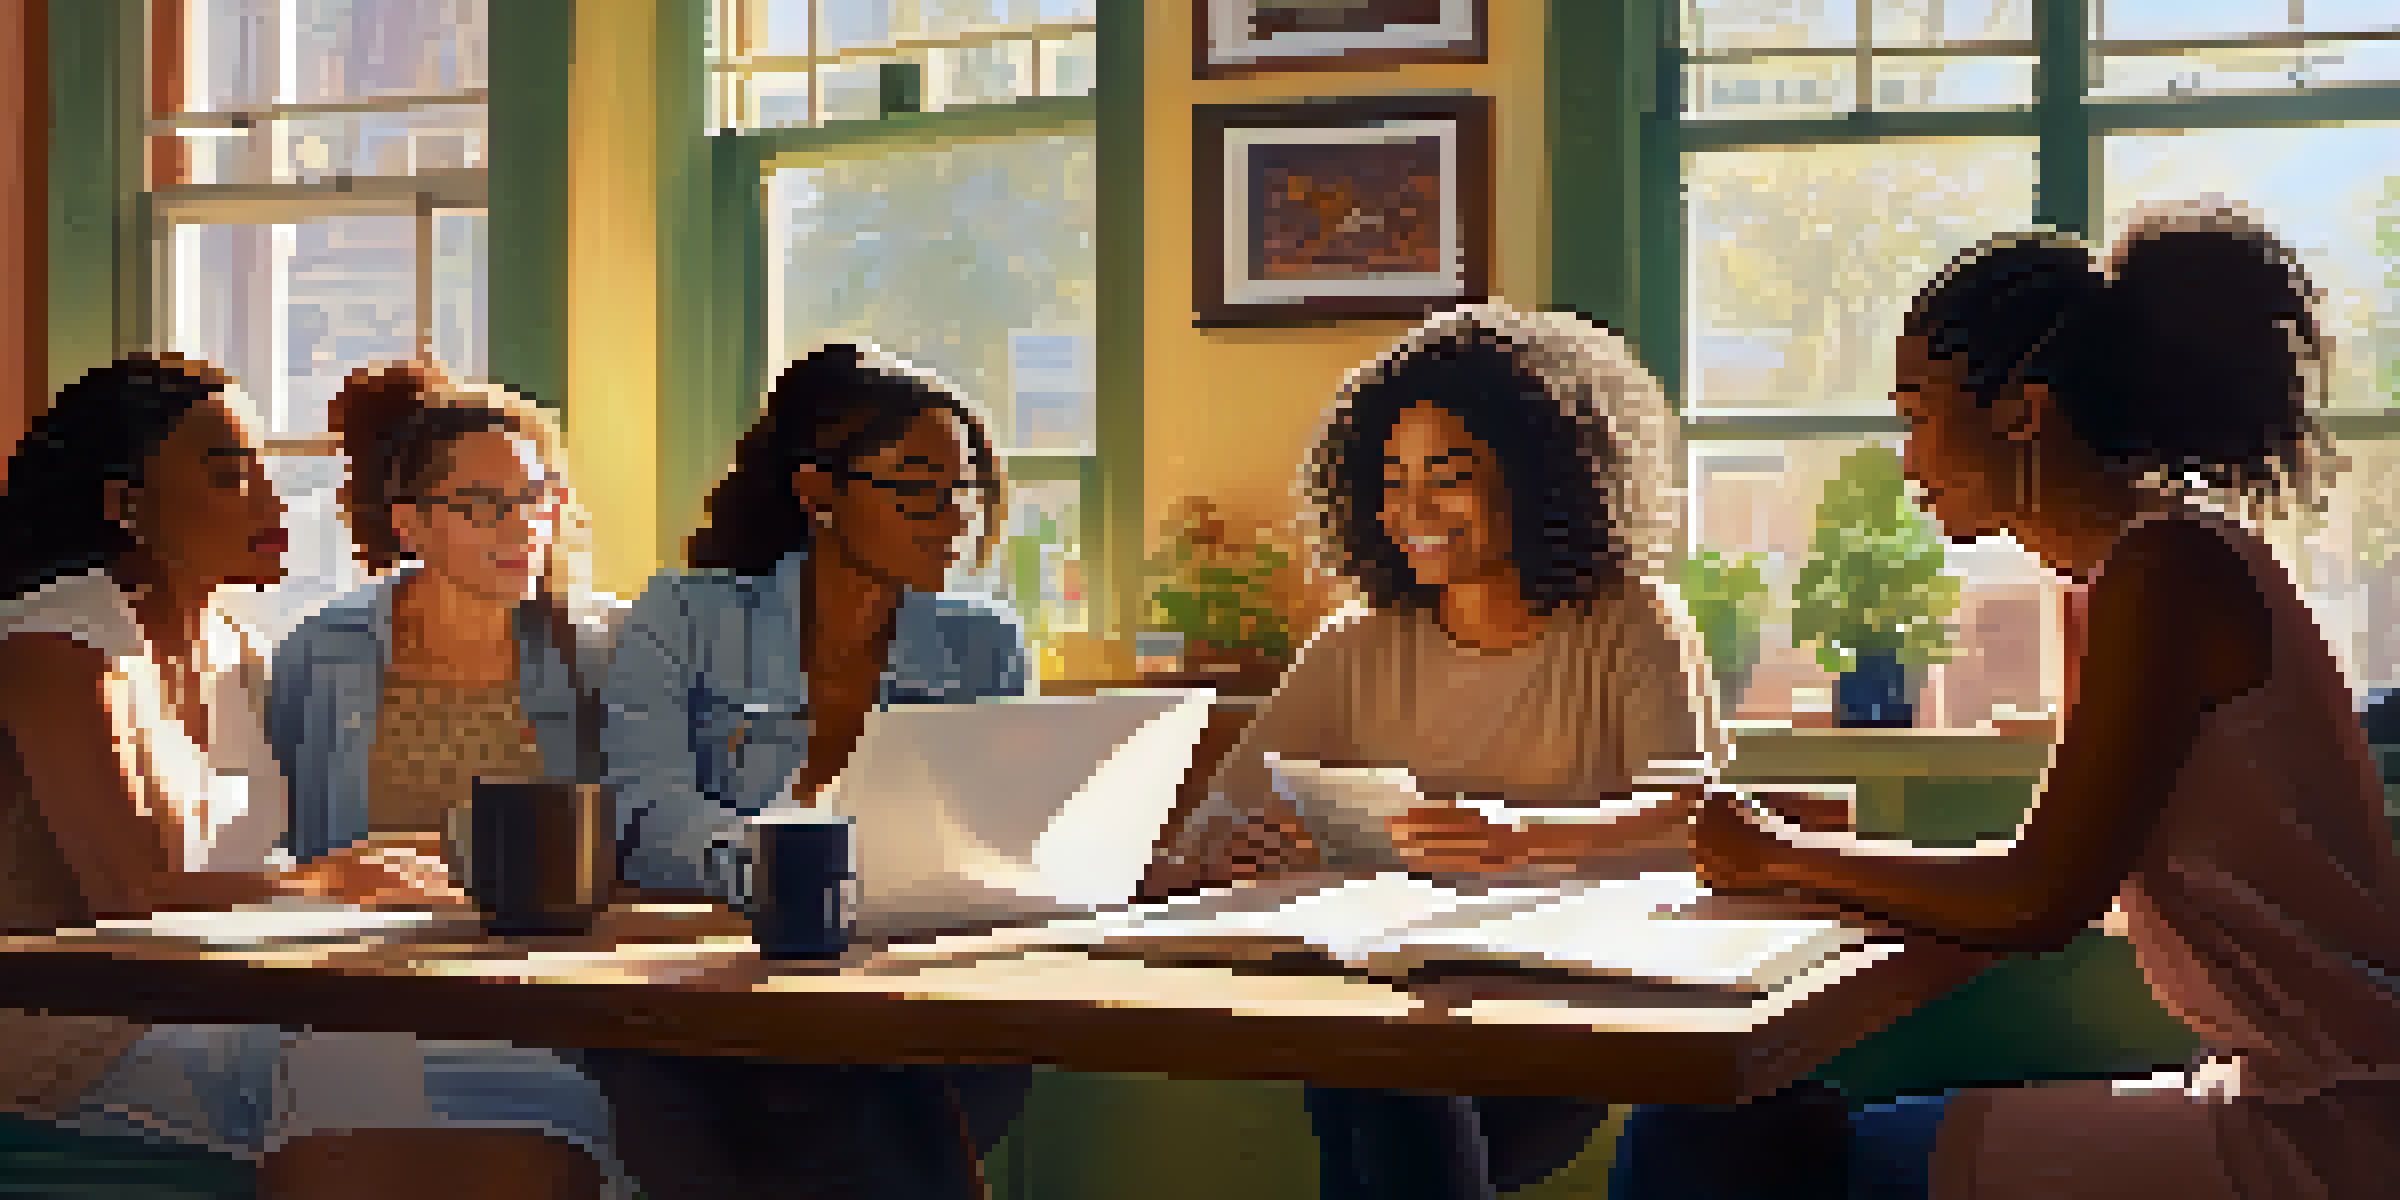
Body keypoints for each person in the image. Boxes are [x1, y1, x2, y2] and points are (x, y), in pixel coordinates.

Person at [1663, 204, 2400, 1200]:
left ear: (2023, 408)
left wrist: (1781, 858)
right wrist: (1825, 864)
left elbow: (2039, 898)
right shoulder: (2119, 576)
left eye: (1918, 412)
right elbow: (2066, 876)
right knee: (1736, 1135)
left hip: (2328, 1129)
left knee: (1761, 1156)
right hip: (2293, 1095)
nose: (1910, 459)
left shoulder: (2163, 571)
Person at [1148, 303, 1727, 1200]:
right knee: (1382, 1086)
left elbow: (1699, 817)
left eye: (1448, 476)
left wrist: (1522, 839)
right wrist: (1240, 852)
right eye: (1393, 477)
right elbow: (1217, 824)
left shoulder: (1631, 618)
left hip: (1567, 1006)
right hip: (1375, 1006)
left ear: (1542, 479)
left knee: (1386, 1111)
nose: (1412, 510)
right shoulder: (1351, 645)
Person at [0, 352, 594, 1200]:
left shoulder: (235, 648)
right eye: (226, 475)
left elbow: (241, 871)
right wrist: (323, 881)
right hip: (68, 1020)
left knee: (526, 1086)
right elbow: (125, 896)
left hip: (204, 993)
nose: (269, 501)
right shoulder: (58, 650)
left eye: (263, 470)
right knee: (356, 1048)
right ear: (124, 506)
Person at [584, 341, 1033, 1200]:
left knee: (893, 1076)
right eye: (915, 485)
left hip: (908, 982)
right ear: (817, 491)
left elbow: (1000, 836)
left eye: (965, 488)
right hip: (714, 976)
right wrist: (789, 877)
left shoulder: (986, 645)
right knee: (760, 1086)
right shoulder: (684, 614)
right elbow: (646, 817)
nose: (953, 514)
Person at [264, 360, 627, 1196]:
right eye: (482, 504)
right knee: (328, 1157)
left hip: (547, 1000)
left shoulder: (605, 647)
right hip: (361, 997)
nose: (521, 524)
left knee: (532, 1159)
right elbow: (281, 842)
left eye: (534, 496)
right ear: (411, 523)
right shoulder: (323, 652)